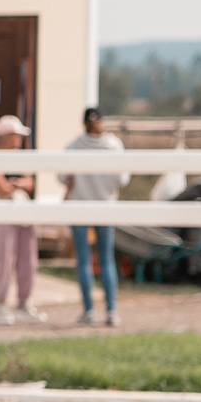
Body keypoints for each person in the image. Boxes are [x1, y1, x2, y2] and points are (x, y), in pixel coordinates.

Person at [63, 105, 127, 327]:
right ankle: (111, 310)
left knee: (83, 259)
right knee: (106, 258)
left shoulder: (74, 146)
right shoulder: (113, 146)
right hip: (105, 205)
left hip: (80, 204)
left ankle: (88, 310)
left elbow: (63, 177)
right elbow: (122, 179)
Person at [0, 114, 44, 325]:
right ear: (6, 137)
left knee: (28, 256)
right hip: (1, 212)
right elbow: (0, 188)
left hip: (22, 211)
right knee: (4, 258)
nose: (19, 140)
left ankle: (23, 302)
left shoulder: (20, 157)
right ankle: (1, 303)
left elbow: (29, 182)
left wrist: (14, 184)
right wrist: (15, 184)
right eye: (16, 135)